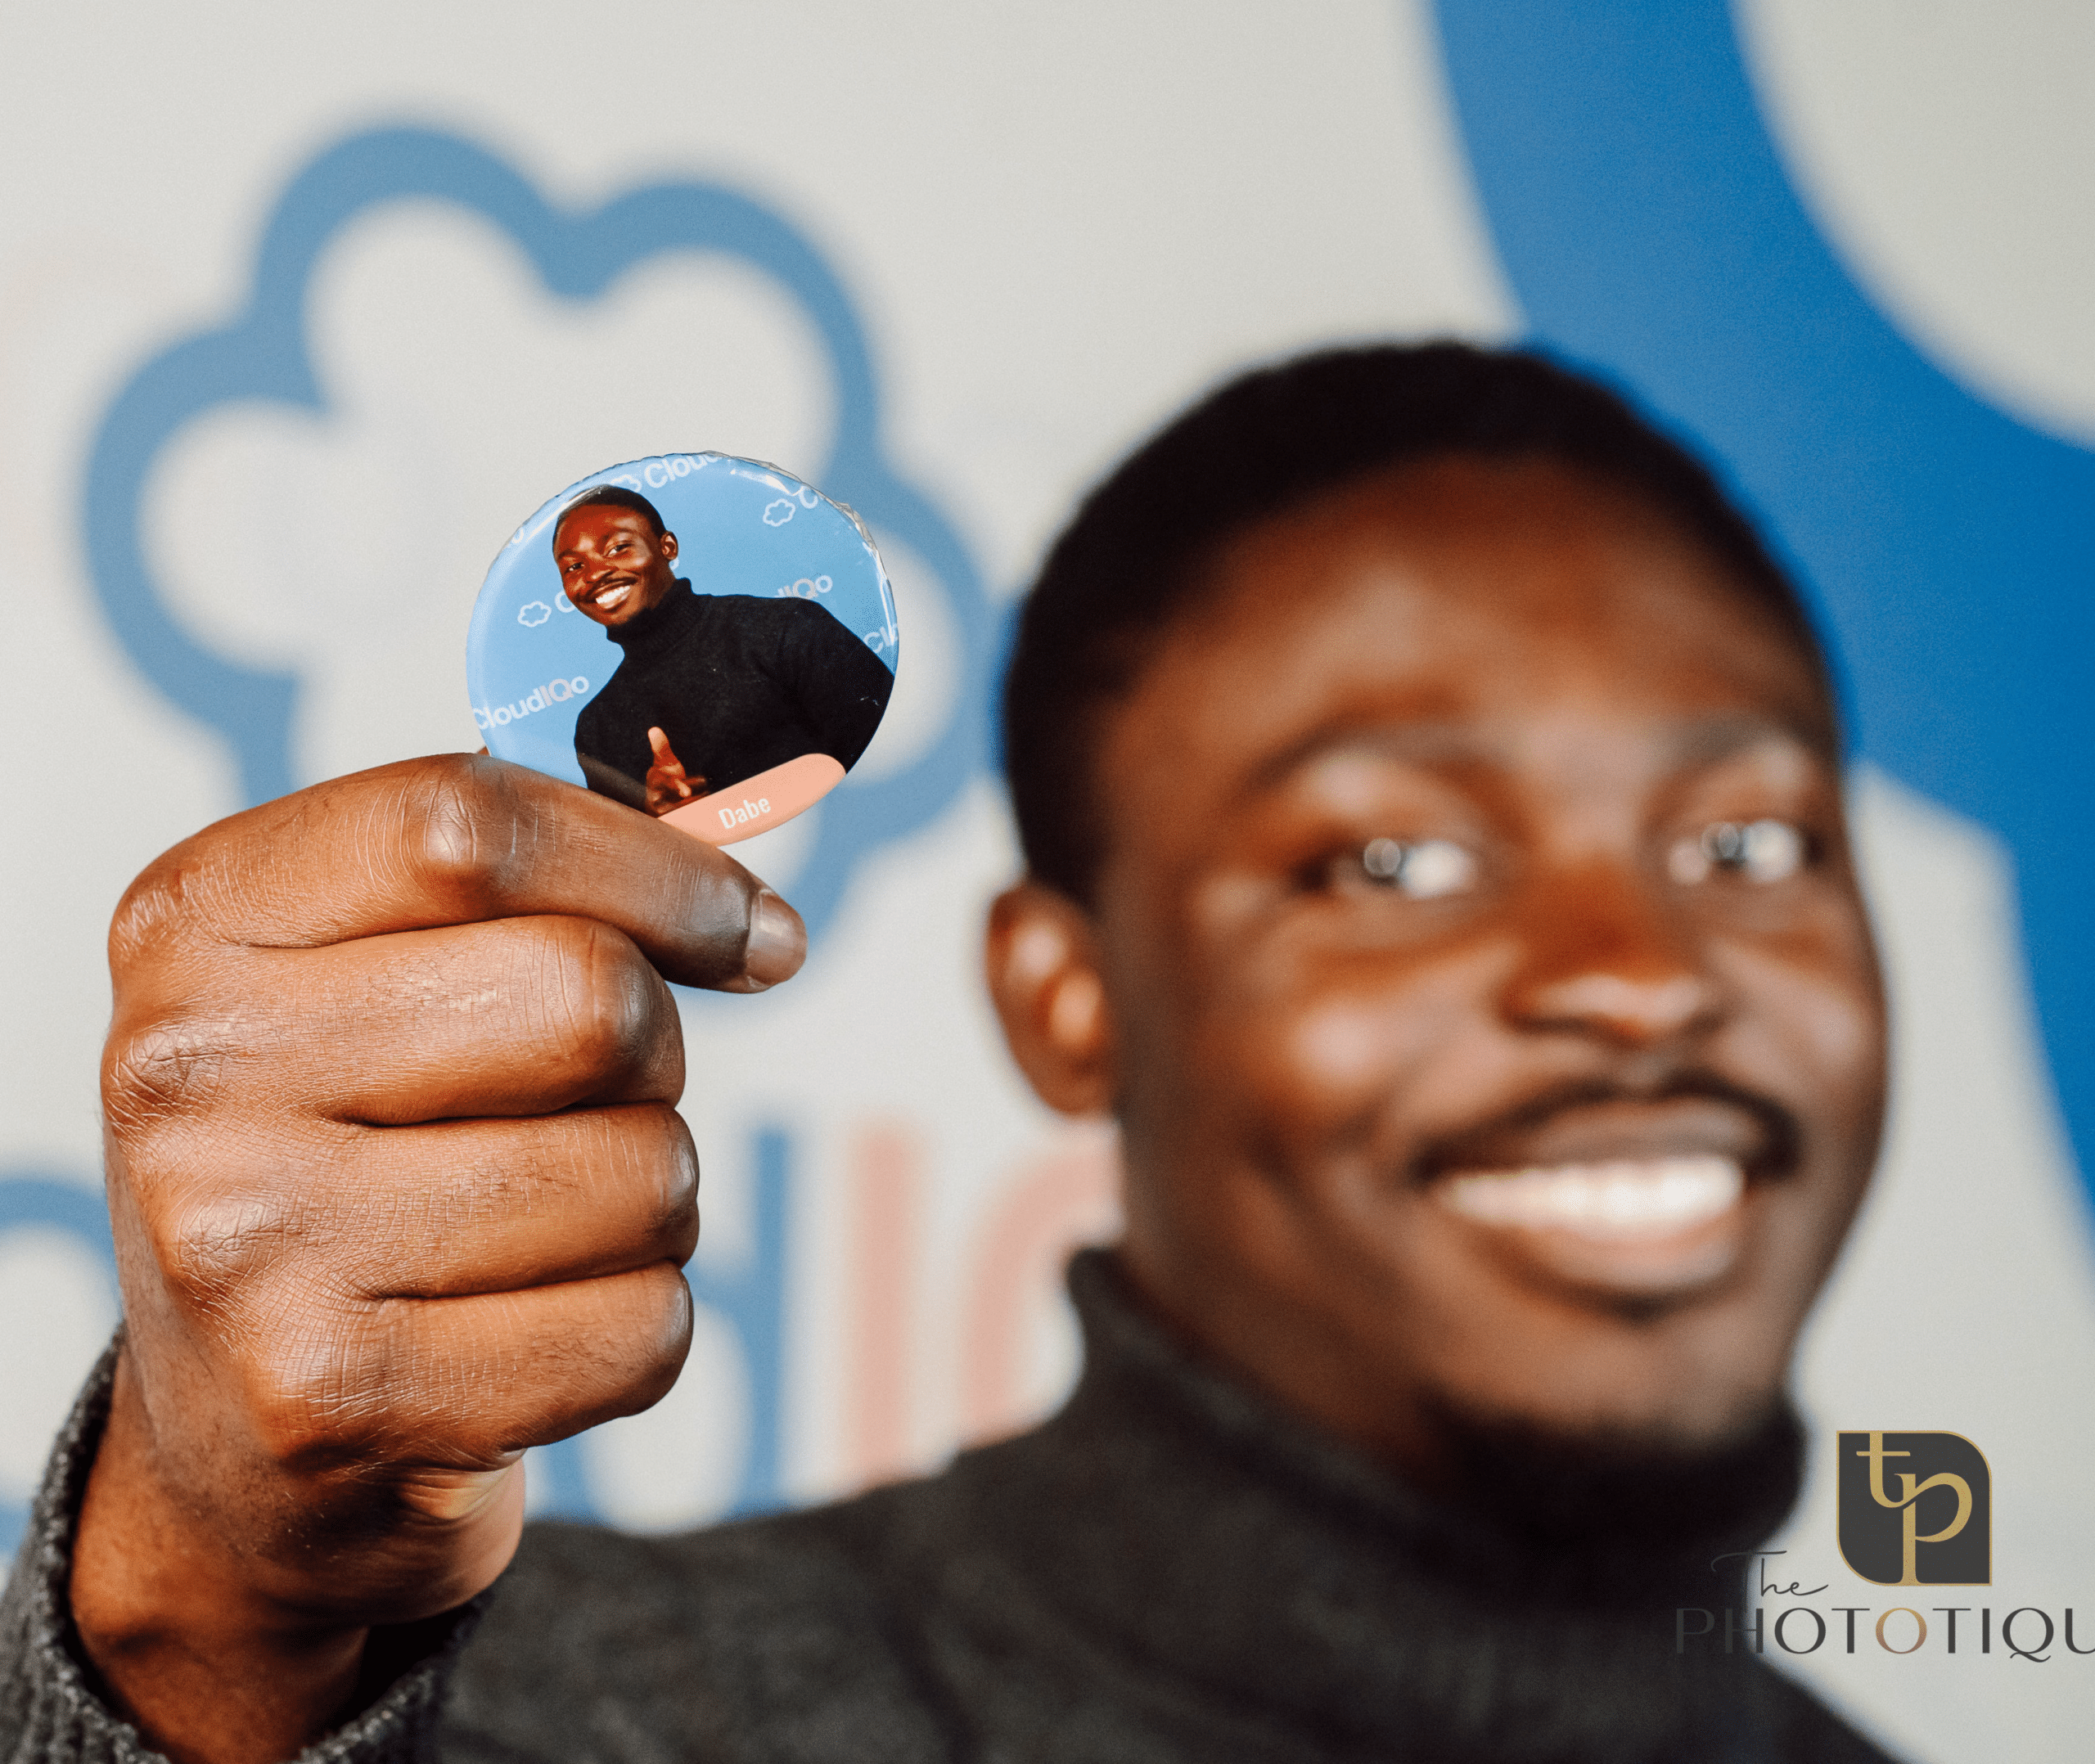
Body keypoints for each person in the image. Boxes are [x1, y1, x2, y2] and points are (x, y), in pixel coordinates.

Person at [2, 344, 1903, 1764]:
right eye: (1389, 859)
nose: (1635, 978)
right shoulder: (558, 1719)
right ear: (1064, 999)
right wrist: (206, 1641)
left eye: (1744, 847)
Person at [554, 485, 894, 813]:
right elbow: (628, 857)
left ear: (667, 547)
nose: (596, 573)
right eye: (574, 566)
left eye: (617, 548)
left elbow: (885, 755)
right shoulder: (596, 728)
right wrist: (655, 817)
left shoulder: (787, 627)